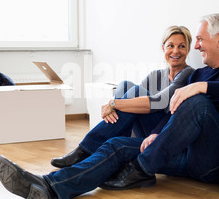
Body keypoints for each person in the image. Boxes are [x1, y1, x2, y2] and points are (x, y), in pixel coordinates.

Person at [0, 13, 219, 199]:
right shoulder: (200, 72)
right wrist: (158, 134)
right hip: (177, 155)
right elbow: (174, 112)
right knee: (116, 145)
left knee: (197, 102)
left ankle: (141, 168)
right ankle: (48, 187)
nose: (195, 46)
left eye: (198, 39)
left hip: (208, 162)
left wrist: (202, 89)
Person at [50, 25, 195, 168]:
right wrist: (116, 104)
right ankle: (111, 146)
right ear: (163, 48)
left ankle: (86, 149)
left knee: (135, 92)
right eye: (170, 46)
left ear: (188, 49)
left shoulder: (189, 74)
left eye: (181, 46)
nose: (176, 51)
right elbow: (131, 97)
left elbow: (161, 102)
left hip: (163, 133)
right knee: (125, 86)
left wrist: (114, 104)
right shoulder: (155, 75)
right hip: (145, 132)